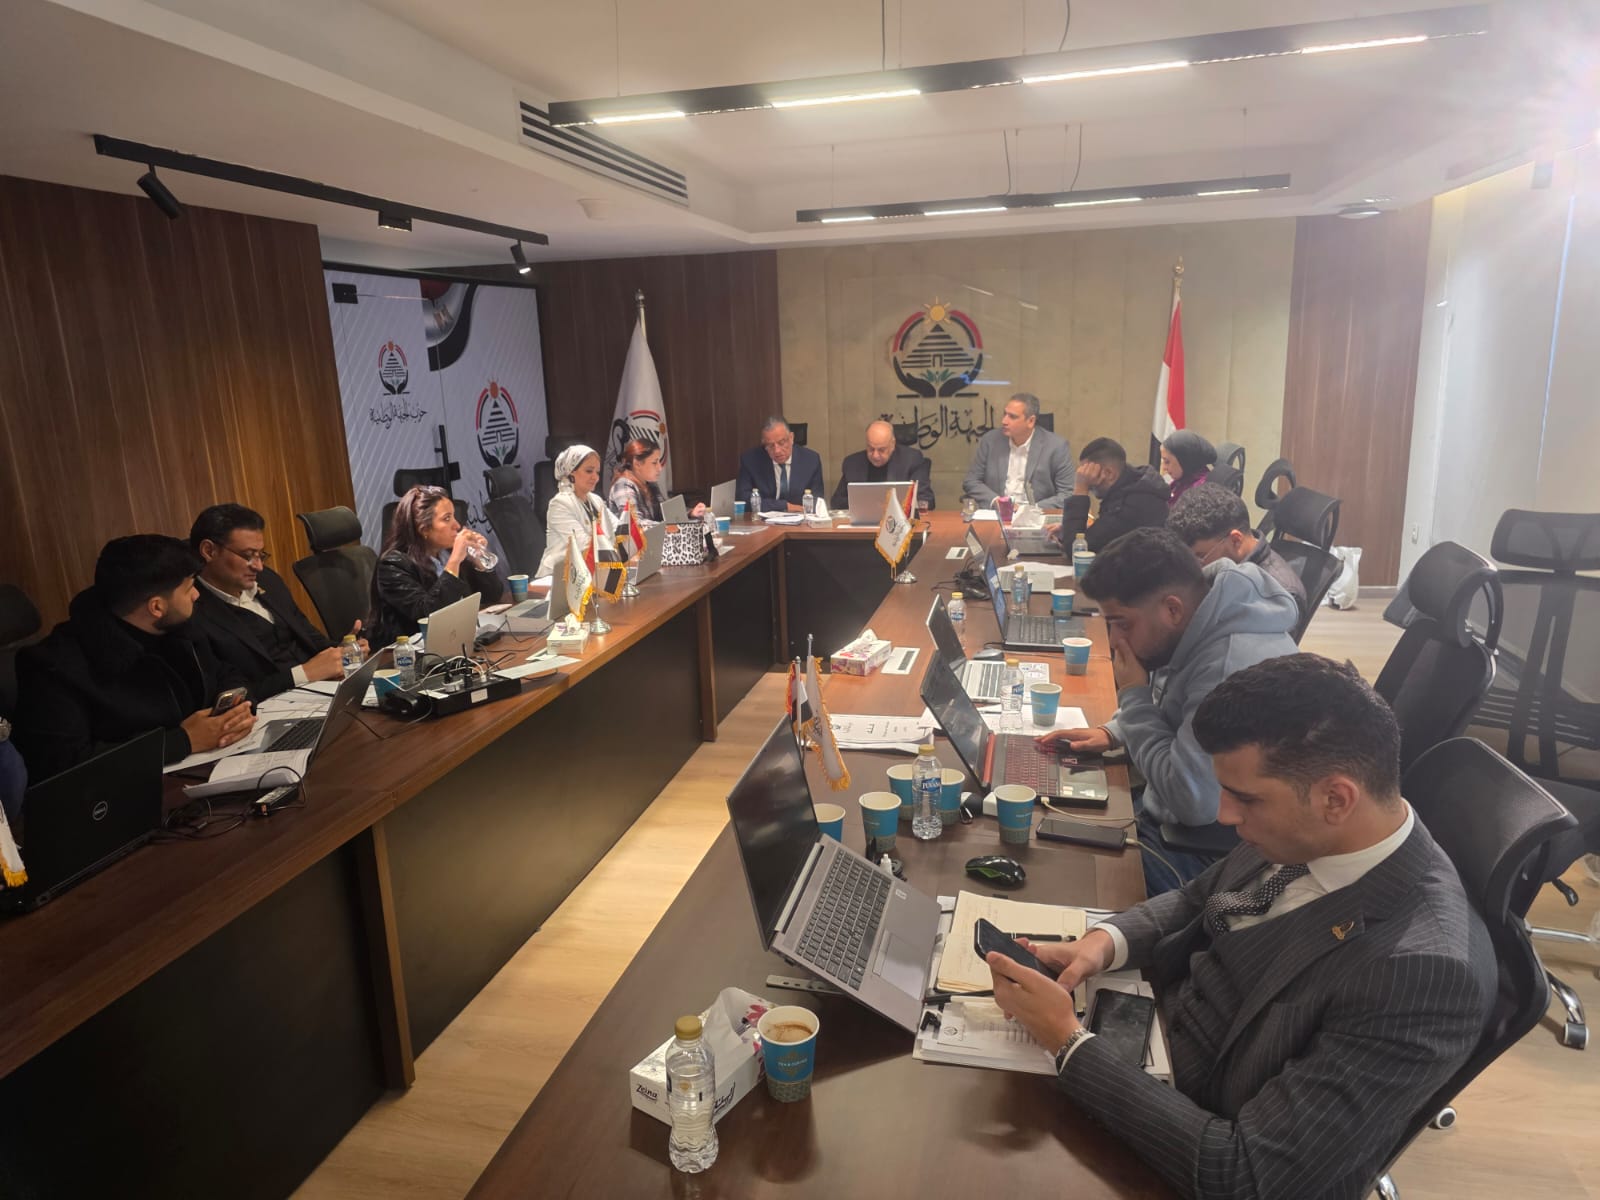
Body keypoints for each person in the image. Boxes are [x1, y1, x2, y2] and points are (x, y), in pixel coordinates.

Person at [987, 654, 1496, 1200]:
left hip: (1189, 1141)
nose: (1224, 815)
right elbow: (1197, 898)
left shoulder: (1422, 975)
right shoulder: (1309, 833)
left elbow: (1246, 1177)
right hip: (1144, 1032)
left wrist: (1069, 1044)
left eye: (1245, 799)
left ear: (1336, 798)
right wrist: (1102, 944)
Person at [1037, 528, 1297, 893]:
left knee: (1056, 871)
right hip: (1173, 812)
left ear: (1172, 609)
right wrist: (1115, 731)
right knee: (1053, 820)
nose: (1114, 641)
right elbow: (1171, 705)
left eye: (1122, 624)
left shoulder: (1227, 668)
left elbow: (1191, 802)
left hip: (1212, 851)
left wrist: (1132, 696)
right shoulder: (1204, 613)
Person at [12, 535, 256, 782]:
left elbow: (224, 671)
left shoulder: (178, 627)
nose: (196, 595)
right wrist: (183, 741)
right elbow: (64, 765)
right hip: (132, 791)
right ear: (156, 607)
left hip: (208, 768)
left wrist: (235, 709)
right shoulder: (53, 666)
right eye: (189, 588)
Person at [188, 503, 356, 701]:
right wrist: (303, 674)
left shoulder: (268, 579)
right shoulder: (190, 610)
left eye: (260, 555)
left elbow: (309, 636)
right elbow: (229, 695)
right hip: (273, 706)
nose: (258, 566)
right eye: (248, 556)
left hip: (322, 690)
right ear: (209, 551)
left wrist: (344, 650)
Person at [370, 485, 503, 648]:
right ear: (424, 529)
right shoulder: (393, 565)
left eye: (454, 516)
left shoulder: (447, 552)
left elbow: (492, 595)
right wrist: (454, 562)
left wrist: (478, 561)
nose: (457, 525)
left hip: (457, 642)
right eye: (447, 519)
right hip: (410, 655)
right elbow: (428, 614)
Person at [1168, 483, 1308, 622]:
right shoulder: (1225, 565)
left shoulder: (1280, 597)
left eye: (1200, 557)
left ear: (1235, 540)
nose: (1195, 567)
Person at [1047, 437, 1168, 551]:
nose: (1087, 478)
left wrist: (1080, 489)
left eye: (1089, 473)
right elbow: (1107, 532)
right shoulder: (1132, 486)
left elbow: (1075, 549)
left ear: (1109, 473)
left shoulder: (1133, 504)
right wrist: (1072, 530)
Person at [961, 392, 1073, 510]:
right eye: (1005, 414)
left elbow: (1067, 493)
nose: (1004, 421)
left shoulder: (1056, 446)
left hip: (1035, 515)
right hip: (997, 514)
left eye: (1012, 417)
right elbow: (971, 481)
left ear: (1031, 421)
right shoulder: (990, 441)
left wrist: (1030, 509)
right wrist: (995, 501)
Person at [538, 445, 619, 579]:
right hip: (560, 578)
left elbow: (618, 528)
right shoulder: (560, 504)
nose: (596, 477)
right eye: (589, 471)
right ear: (570, 473)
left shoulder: (596, 500)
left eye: (597, 472)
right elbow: (584, 546)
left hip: (592, 572)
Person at [829, 420, 935, 512]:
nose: (875, 455)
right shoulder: (853, 464)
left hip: (899, 524)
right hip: (863, 523)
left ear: (892, 445)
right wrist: (866, 505)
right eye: (871, 449)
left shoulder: (911, 460)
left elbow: (926, 500)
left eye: (881, 450)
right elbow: (837, 503)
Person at [735, 417, 825, 513]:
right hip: (764, 519)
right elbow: (743, 500)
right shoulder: (750, 460)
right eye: (770, 445)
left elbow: (817, 501)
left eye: (781, 443)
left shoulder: (811, 460)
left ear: (791, 438)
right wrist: (784, 506)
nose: (777, 451)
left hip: (801, 517)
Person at [607, 439, 703, 523]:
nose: (660, 468)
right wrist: (667, 527)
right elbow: (635, 525)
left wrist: (690, 513)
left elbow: (664, 512)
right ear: (637, 464)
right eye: (654, 463)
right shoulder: (623, 487)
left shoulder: (650, 484)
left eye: (659, 462)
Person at [1161, 429, 1215, 507]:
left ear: (1184, 460)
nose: (1163, 468)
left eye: (1167, 462)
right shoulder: (1182, 480)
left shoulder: (1198, 494)